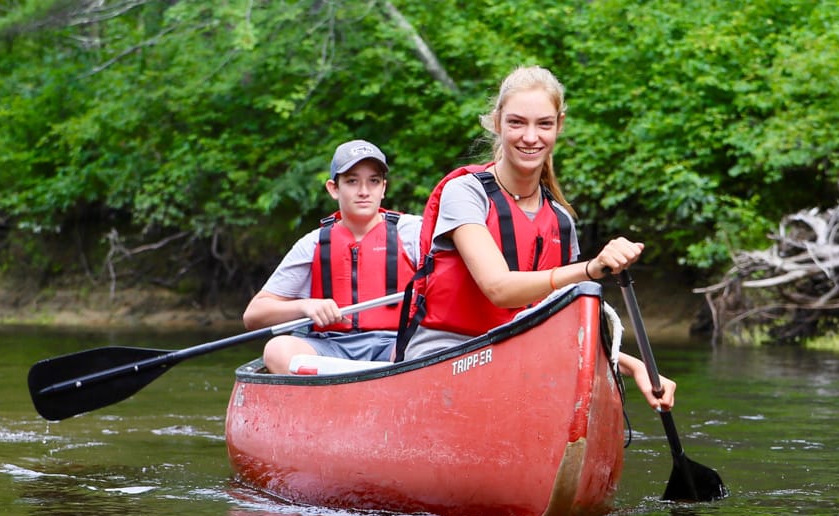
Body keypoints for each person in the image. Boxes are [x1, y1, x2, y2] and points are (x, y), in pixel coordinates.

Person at [400, 66, 676, 411]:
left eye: (543, 124)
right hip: (448, 352)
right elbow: (498, 288)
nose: (530, 137)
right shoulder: (466, 193)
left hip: (517, 359)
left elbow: (566, 328)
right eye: (517, 122)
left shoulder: (560, 221)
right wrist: (591, 269)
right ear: (498, 122)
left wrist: (638, 367)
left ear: (559, 126)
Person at [243, 139, 421, 373]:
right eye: (352, 181)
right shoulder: (313, 243)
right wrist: (306, 306)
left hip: (395, 345)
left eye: (374, 181)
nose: (364, 192)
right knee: (277, 349)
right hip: (329, 347)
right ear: (333, 188)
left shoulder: (414, 232)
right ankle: (326, 392)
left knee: (428, 347)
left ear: (384, 188)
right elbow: (254, 315)